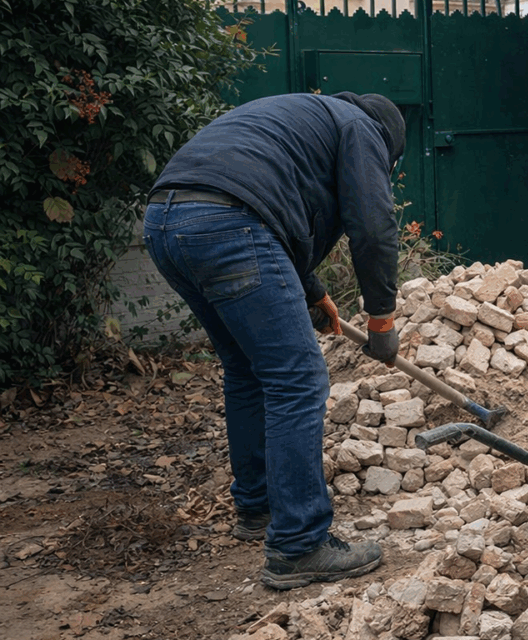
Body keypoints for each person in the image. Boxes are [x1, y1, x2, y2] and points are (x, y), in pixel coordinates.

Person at [143, 92, 406, 589]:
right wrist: (382, 323)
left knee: (247, 370)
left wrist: (314, 292)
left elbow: (279, 204)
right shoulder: (363, 128)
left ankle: (258, 509)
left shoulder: (304, 118)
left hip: (166, 221)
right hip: (227, 223)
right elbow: (373, 229)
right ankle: (300, 544)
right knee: (299, 382)